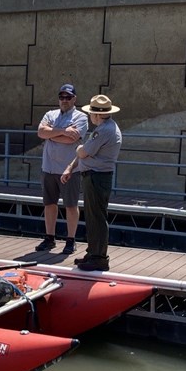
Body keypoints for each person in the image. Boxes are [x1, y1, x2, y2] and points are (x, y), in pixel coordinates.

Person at [61, 94, 122, 271]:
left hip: (97, 177)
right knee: (94, 216)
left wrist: (79, 148)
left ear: (96, 115)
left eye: (90, 113)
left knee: (96, 217)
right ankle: (94, 253)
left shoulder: (103, 131)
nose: (89, 116)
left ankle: (99, 257)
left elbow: (83, 152)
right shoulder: (107, 128)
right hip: (96, 176)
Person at [35, 83, 88, 253]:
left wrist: (53, 134)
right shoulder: (50, 114)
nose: (64, 100)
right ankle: (49, 238)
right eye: (61, 97)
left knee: (71, 205)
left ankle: (70, 240)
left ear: (74, 99)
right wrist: (64, 131)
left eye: (68, 97)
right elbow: (41, 132)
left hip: (69, 169)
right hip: (48, 167)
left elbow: (72, 139)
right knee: (49, 204)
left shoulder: (81, 117)